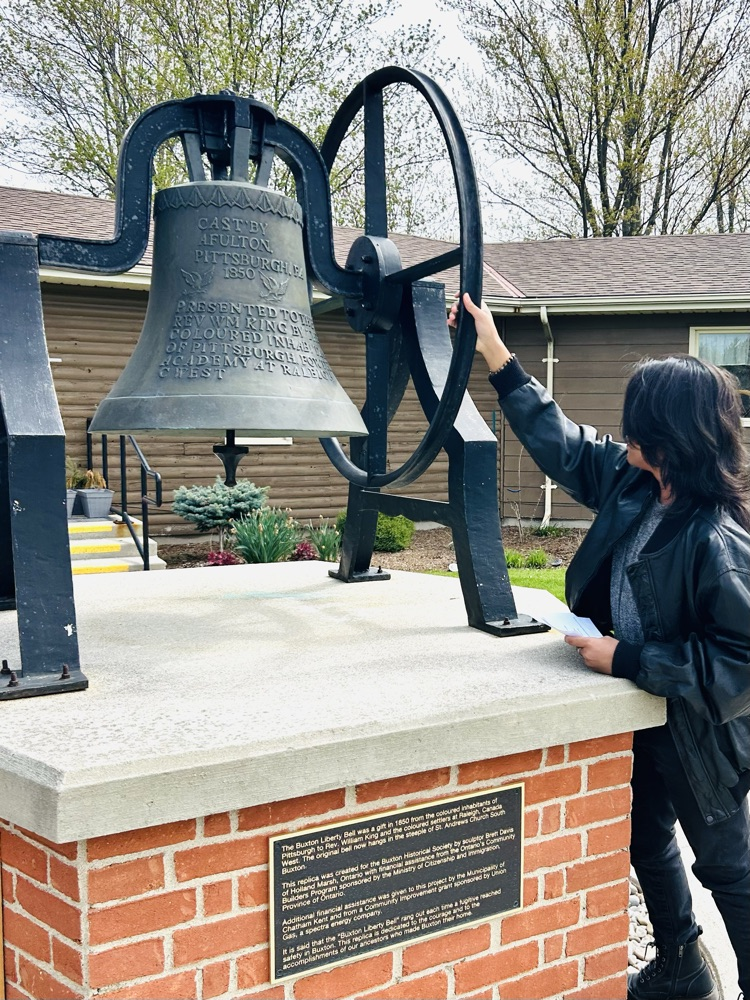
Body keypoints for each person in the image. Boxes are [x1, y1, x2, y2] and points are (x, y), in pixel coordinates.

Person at [449, 292, 750, 1000]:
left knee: (729, 870)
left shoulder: (719, 540)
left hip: (698, 735)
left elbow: (739, 664)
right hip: (638, 713)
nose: (623, 432)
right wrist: (495, 351)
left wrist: (628, 659)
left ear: (670, 439)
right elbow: (561, 441)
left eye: (637, 423)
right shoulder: (635, 483)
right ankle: (682, 967)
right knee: (644, 836)